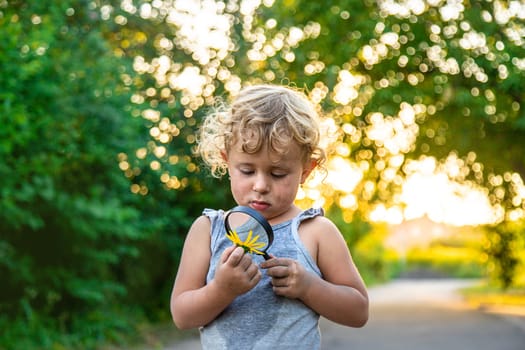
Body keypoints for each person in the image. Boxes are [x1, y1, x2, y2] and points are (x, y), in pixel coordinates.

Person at [170, 84, 369, 349]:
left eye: (277, 174)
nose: (261, 185)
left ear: (306, 171)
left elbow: (358, 312)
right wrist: (222, 290)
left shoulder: (316, 231)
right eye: (247, 171)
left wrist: (310, 287)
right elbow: (182, 316)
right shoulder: (207, 230)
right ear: (226, 162)